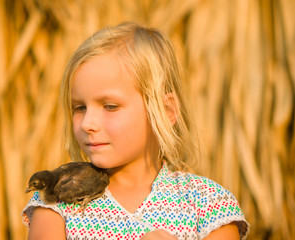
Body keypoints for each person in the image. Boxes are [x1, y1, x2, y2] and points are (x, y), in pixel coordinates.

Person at [22, 22, 249, 240]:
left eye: (110, 106)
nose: (87, 123)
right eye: (79, 108)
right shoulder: (55, 199)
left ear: (166, 111)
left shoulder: (209, 204)